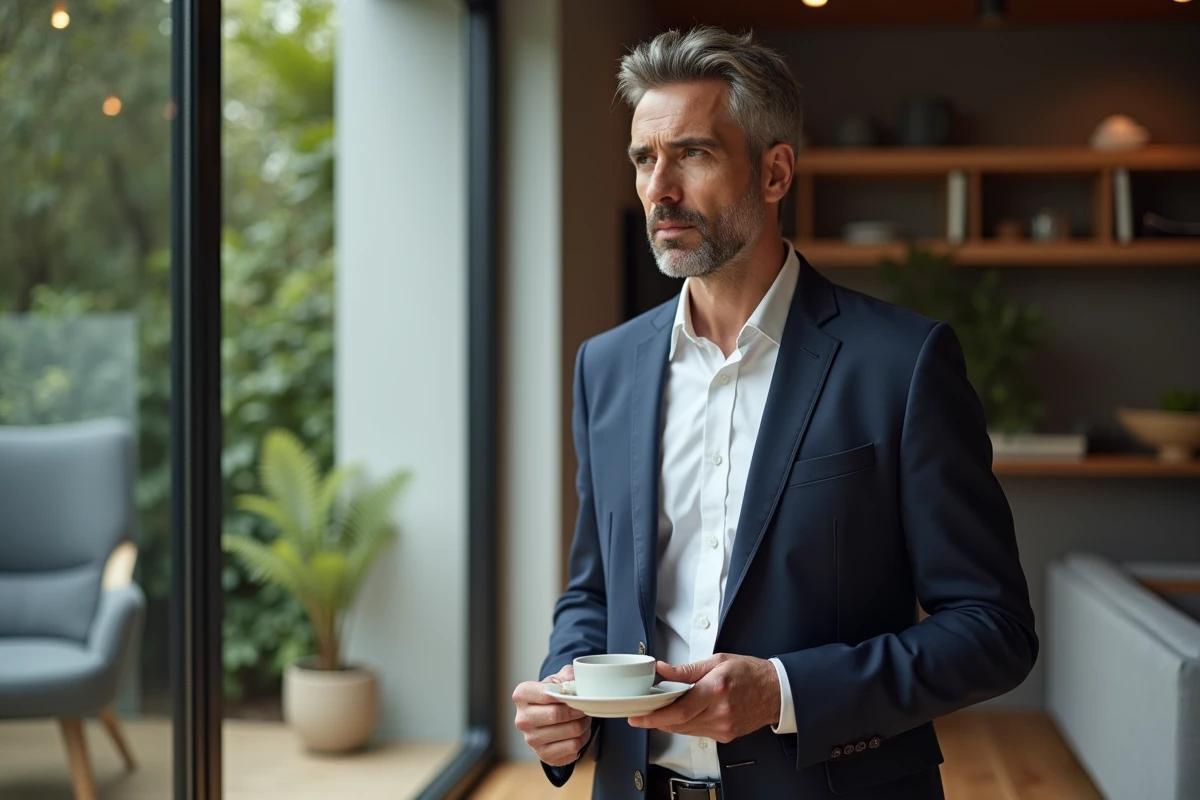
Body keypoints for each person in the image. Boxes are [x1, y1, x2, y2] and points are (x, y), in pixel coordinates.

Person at [511, 26, 1037, 800]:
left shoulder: (902, 363)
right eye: (644, 159)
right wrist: (567, 698)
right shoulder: (607, 366)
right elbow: (594, 591)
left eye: (692, 153)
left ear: (775, 171)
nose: (660, 188)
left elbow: (993, 629)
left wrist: (784, 692)